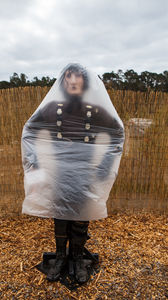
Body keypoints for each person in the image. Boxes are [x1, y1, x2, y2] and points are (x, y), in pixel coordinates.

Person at [21, 63, 124, 283]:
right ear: (64, 81)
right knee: (60, 215)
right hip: (58, 173)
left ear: (85, 82)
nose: (74, 81)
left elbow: (116, 133)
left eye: (78, 77)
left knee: (81, 216)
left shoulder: (95, 110)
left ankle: (77, 259)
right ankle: (60, 257)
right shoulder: (53, 108)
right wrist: (35, 161)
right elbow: (30, 130)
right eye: (69, 77)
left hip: (86, 173)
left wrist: (106, 166)